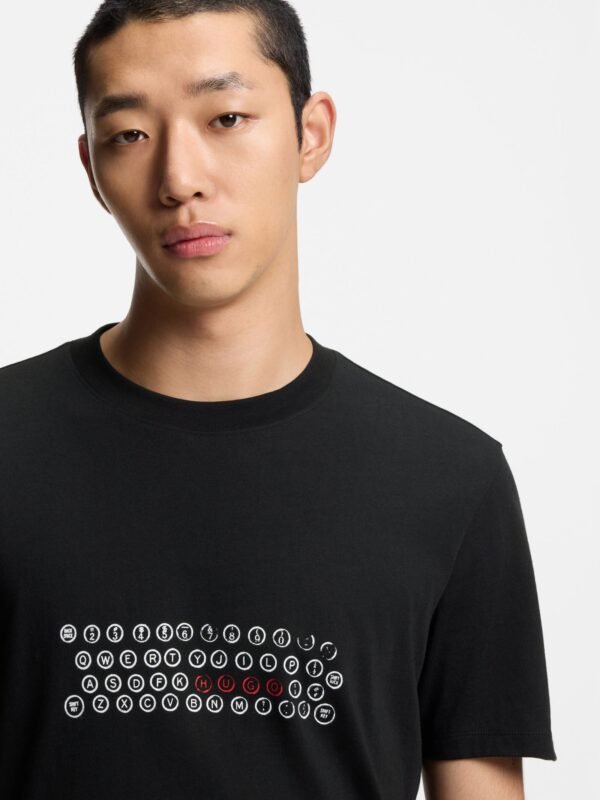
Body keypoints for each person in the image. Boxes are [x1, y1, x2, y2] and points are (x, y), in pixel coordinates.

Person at [0, 1, 557, 798]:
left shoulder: (451, 482)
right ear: (91, 167)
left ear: (310, 134)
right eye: (130, 134)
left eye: (226, 118)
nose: (180, 178)